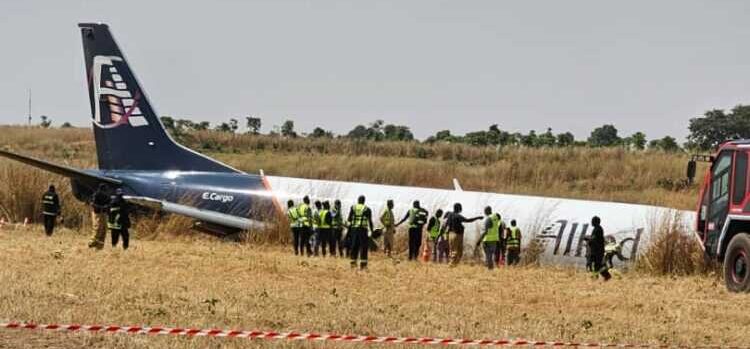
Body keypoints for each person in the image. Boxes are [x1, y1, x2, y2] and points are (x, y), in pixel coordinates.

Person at [348, 195, 374, 270]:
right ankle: (363, 265)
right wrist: (372, 231)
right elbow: (370, 221)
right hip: (362, 229)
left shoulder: (353, 208)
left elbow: (349, 219)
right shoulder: (367, 209)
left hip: (354, 229)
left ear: (358, 200)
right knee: (363, 247)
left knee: (354, 246)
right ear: (364, 201)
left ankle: (353, 263)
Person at [88, 183, 110, 249]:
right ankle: (92, 242)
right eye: (104, 190)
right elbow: (92, 203)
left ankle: (99, 246)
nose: (105, 191)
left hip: (104, 213)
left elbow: (109, 203)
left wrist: (107, 207)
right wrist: (101, 207)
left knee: (104, 229)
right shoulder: (96, 195)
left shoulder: (106, 196)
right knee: (97, 227)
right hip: (97, 213)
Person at [589, 216, 612, 280]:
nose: (591, 222)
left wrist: (588, 239)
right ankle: (597, 276)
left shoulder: (598, 229)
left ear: (595, 222)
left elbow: (594, 239)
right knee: (595, 265)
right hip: (596, 250)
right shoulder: (597, 228)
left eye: (593, 221)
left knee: (597, 265)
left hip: (598, 251)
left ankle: (606, 276)